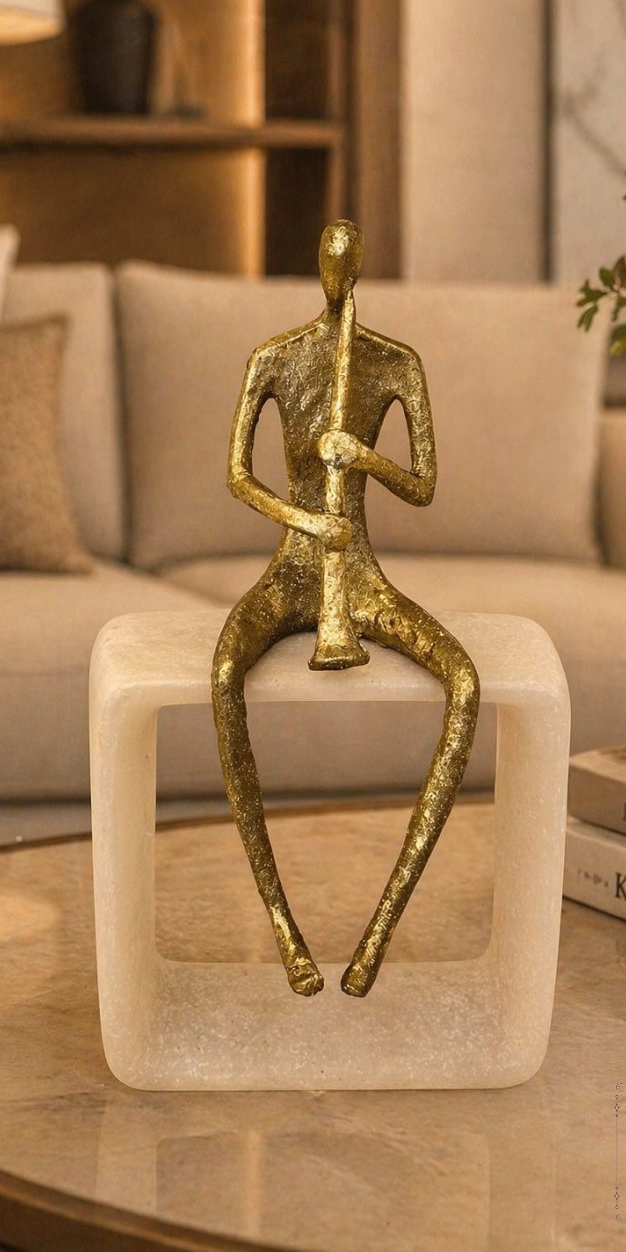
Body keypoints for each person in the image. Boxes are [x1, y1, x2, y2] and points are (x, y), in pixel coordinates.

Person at [212, 219, 480, 997]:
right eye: (330, 265)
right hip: (294, 571)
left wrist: (363, 457)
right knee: (224, 673)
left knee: (465, 683)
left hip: (359, 577)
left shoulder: (395, 363)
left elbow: (423, 487)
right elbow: (238, 477)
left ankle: (380, 929)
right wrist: (307, 521)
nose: (339, 278)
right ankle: (283, 926)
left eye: (347, 265)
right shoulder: (275, 357)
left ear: (357, 269)